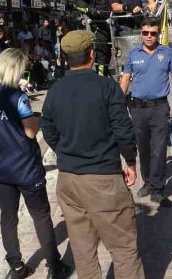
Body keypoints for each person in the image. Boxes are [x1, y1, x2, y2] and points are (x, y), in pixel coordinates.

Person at [41, 31, 144, 278]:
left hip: (68, 181)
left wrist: (67, 152)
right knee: (124, 249)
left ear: (65, 58)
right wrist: (130, 161)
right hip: (103, 178)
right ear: (91, 54)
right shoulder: (107, 87)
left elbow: (48, 130)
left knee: (83, 251)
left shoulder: (55, 90)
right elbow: (123, 129)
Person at [0, 49, 74, 279]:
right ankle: (54, 264)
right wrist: (38, 120)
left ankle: (16, 266)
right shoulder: (17, 97)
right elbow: (31, 132)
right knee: (40, 215)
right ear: (15, 69)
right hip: (25, 167)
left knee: (8, 217)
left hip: (0, 166)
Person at [119, 17, 172, 206]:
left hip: (159, 108)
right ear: (141, 33)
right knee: (143, 148)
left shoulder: (167, 53)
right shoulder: (132, 54)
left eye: (152, 33)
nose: (148, 36)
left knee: (159, 148)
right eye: (145, 32)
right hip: (137, 108)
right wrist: (119, 103)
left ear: (158, 34)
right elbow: (125, 79)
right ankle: (147, 181)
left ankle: (158, 187)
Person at [75, 0, 115, 75]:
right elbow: (77, 2)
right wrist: (90, 10)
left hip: (112, 23)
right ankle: (101, 76)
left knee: (112, 53)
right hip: (97, 25)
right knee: (101, 52)